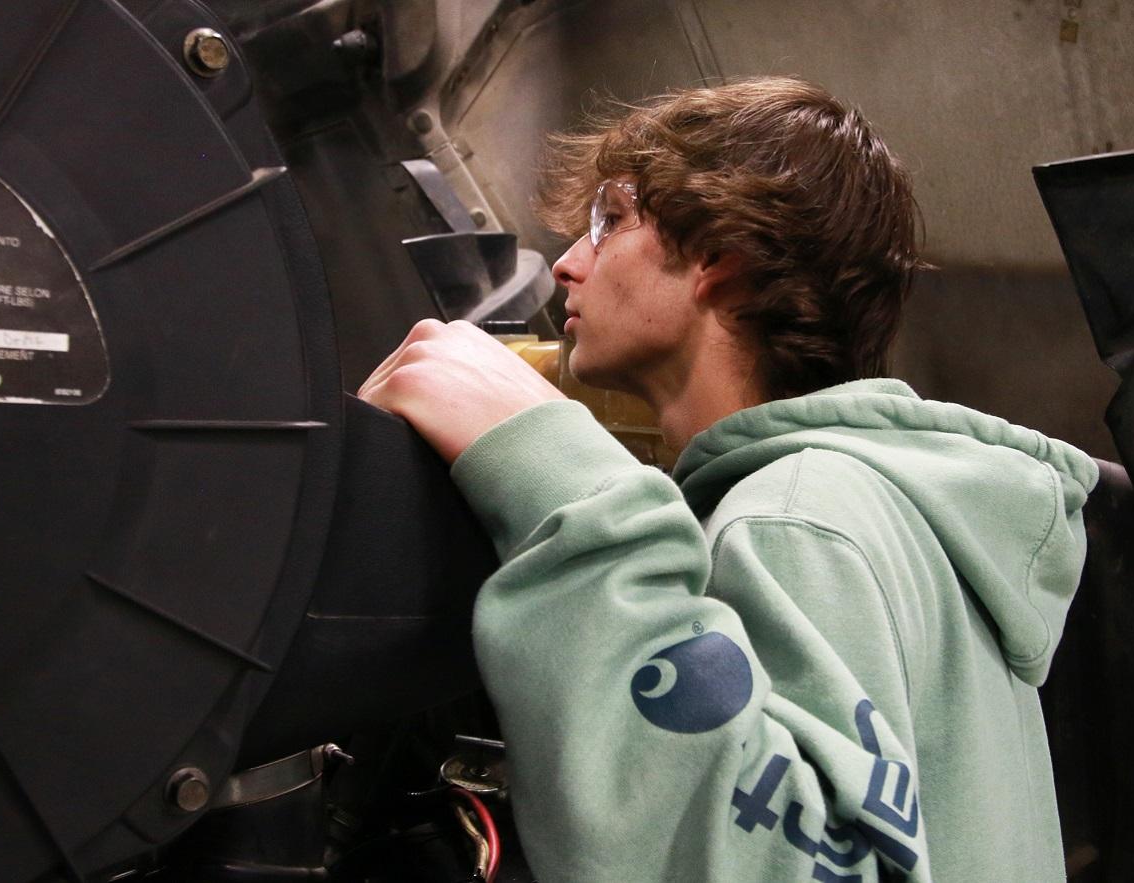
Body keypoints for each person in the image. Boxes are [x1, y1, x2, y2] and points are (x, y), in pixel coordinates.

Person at [359, 76, 1096, 882]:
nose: (568, 264)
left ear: (719, 257)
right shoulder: (898, 508)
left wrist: (560, 481)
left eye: (609, 222)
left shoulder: (794, 516)